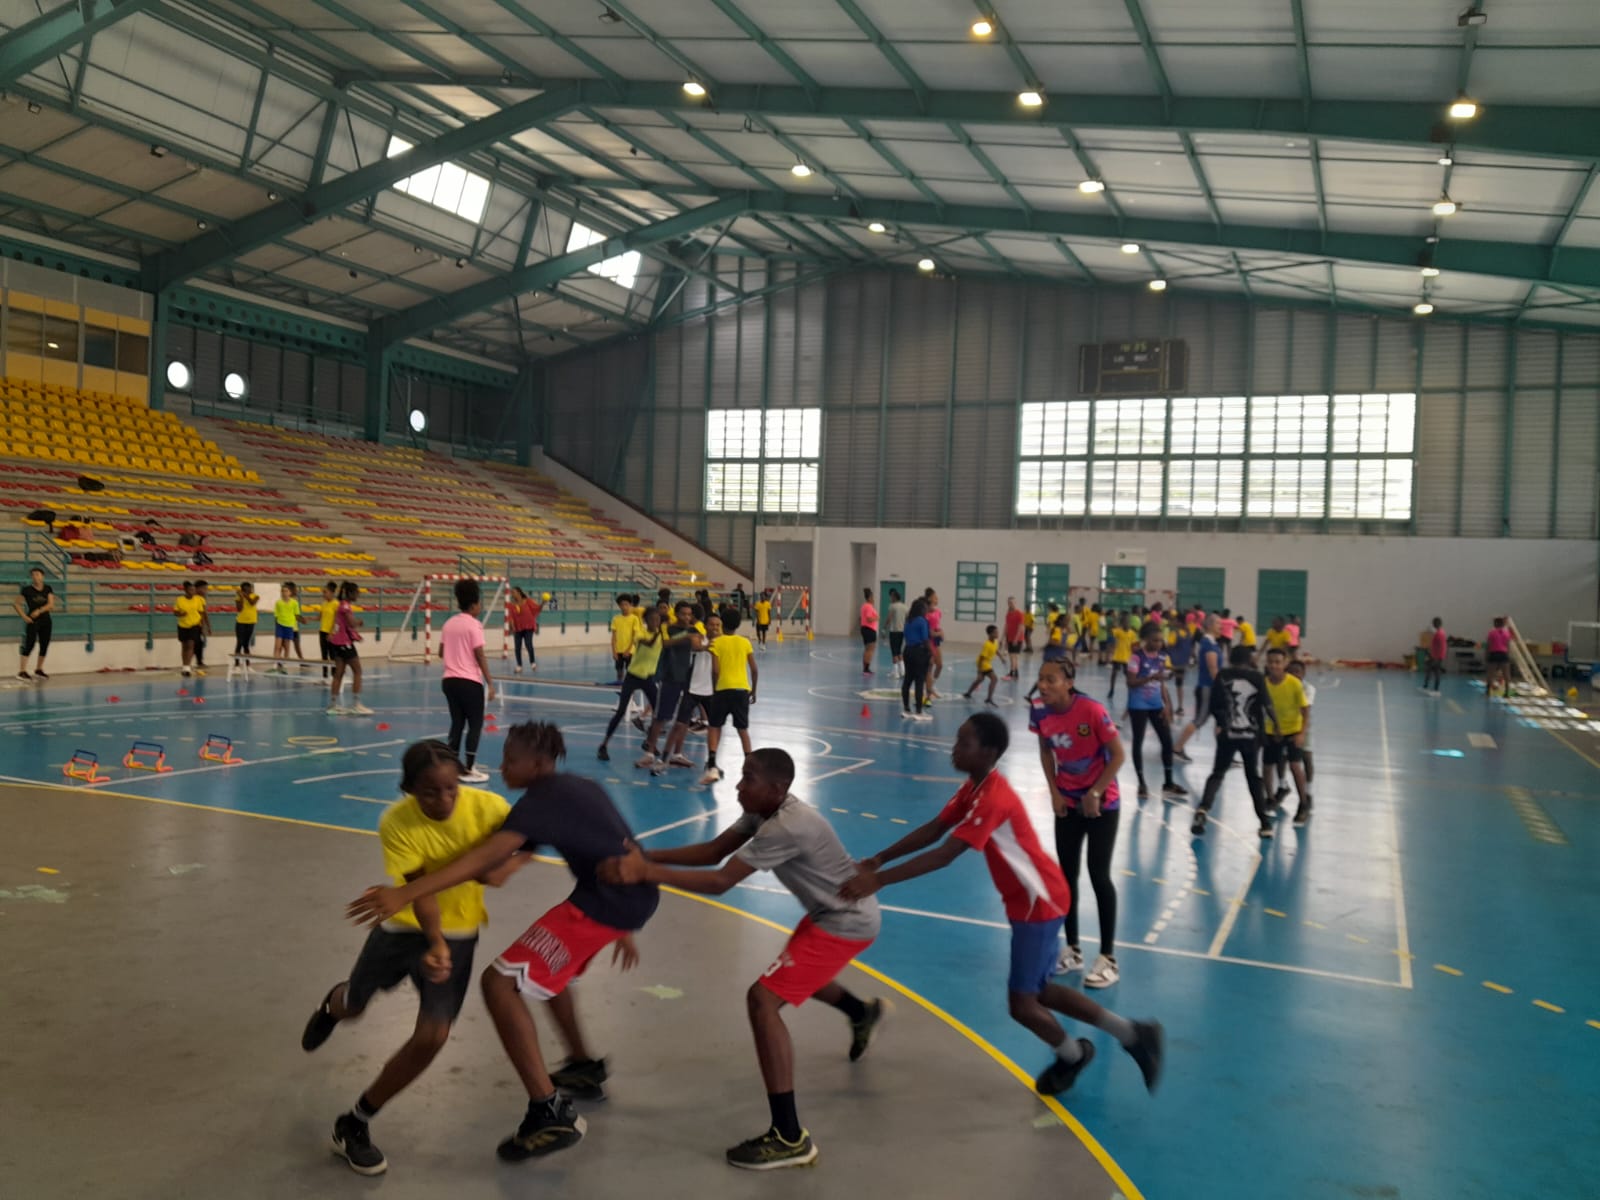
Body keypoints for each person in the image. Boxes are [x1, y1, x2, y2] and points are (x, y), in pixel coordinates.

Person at [347, 721, 655, 1164]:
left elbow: (483, 858)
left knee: (499, 983)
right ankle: (583, 1066)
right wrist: (623, 922)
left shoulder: (541, 800)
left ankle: (548, 1111)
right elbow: (605, 846)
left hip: (604, 904)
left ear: (538, 764)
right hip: (624, 899)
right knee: (547, 976)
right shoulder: (576, 788)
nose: (502, 766)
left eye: (510, 760)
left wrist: (405, 893)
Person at [841, 713, 1161, 1097]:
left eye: (964, 743)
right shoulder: (975, 788)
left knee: (1022, 1004)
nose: (954, 749)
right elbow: (935, 829)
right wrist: (879, 859)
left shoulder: (993, 798)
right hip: (1034, 900)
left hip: (1038, 903)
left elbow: (946, 853)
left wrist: (878, 881)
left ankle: (1073, 1055)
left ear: (989, 752)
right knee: (1041, 991)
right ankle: (1132, 1033)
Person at [600, 749, 886, 1170]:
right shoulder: (763, 813)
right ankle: (862, 1013)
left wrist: (646, 873)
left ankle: (789, 1136)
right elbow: (715, 850)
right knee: (797, 977)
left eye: (748, 778)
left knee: (762, 1000)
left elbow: (720, 881)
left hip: (846, 921)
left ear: (777, 788)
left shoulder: (787, 826)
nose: (738, 785)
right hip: (830, 914)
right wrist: (648, 855)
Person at [302, 741, 525, 1175]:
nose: (443, 800)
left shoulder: (490, 808)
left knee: (433, 1036)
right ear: (409, 789)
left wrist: (508, 866)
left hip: (460, 933)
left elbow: (530, 838)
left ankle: (354, 1122)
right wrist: (435, 943)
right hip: (402, 928)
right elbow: (419, 890)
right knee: (353, 1005)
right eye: (430, 792)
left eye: (451, 789)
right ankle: (333, 1005)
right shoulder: (396, 821)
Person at [1029, 659, 1127, 988]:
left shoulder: (1092, 711)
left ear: (1069, 683)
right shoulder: (1038, 710)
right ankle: (1072, 950)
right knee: (1066, 876)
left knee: (1099, 874)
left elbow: (1118, 755)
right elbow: (1045, 750)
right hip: (1067, 803)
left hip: (1102, 804)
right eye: (1041, 679)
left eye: (1051, 679)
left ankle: (1108, 958)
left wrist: (1096, 792)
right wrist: (1054, 792)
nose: (1043, 685)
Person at [1190, 645, 1272, 839]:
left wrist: (1221, 723)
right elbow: (1266, 705)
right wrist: (1274, 726)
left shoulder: (1223, 675)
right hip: (1250, 736)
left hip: (1228, 734)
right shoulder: (1257, 677)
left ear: (1231, 659)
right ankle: (1265, 822)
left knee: (1217, 773)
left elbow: (1215, 704)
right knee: (1253, 777)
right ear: (1249, 659)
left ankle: (1203, 808)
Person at [440, 578, 497, 780]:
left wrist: (455, 653)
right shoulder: (474, 625)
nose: (480, 607)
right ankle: (469, 768)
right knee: (475, 724)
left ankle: (452, 765)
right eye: (479, 603)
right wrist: (490, 682)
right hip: (469, 681)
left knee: (457, 723)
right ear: (473, 605)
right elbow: (479, 654)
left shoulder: (448, 624)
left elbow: (441, 652)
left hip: (449, 681)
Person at [1126, 622, 1187, 802]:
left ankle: (1168, 783)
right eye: (1155, 640)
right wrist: (1150, 677)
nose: (1159, 644)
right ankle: (1141, 783)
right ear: (1146, 640)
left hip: (1155, 704)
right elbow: (1131, 682)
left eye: (1161, 641)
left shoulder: (1161, 657)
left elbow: (1161, 683)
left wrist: (1167, 704)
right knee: (1138, 742)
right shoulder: (1136, 658)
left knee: (1167, 741)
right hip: (1138, 705)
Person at [638, 601, 701, 773]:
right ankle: (650, 753)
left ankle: (677, 754)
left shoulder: (694, 630)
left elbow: (698, 646)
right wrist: (686, 637)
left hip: (688, 680)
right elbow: (665, 644)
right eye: (683, 614)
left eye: (689, 614)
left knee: (684, 719)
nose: (687, 617)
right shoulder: (668, 629)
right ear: (676, 614)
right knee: (660, 717)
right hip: (670, 678)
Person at [701, 607, 757, 785]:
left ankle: (712, 765)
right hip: (741, 690)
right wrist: (754, 690)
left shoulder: (716, 643)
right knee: (742, 729)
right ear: (738, 624)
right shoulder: (745, 642)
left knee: (714, 726)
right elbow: (754, 669)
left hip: (722, 690)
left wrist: (715, 689)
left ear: (722, 623)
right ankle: (750, 768)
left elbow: (715, 670)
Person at [599, 606, 663, 763]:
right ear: (646, 621)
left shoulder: (662, 636)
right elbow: (648, 643)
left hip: (648, 678)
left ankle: (649, 742)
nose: (655, 622)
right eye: (652, 619)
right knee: (621, 711)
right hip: (633, 676)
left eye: (658, 619)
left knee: (659, 713)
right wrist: (660, 632)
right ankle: (604, 745)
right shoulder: (641, 634)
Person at [660, 607, 718, 774]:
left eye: (718, 625)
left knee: (715, 727)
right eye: (712, 625)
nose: (715, 628)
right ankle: (665, 758)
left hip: (710, 691)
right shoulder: (698, 637)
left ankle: (711, 762)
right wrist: (708, 647)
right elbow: (697, 647)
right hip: (692, 688)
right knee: (679, 724)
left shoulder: (722, 642)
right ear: (705, 626)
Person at [1261, 647, 1311, 826]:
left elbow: (1305, 711)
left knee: (1295, 766)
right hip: (1271, 730)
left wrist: (1301, 733)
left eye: (1278, 662)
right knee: (1267, 767)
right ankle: (1270, 798)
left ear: (1284, 664)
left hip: (1292, 730)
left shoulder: (1294, 684)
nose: (1274, 666)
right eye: (1271, 662)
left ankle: (1303, 804)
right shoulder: (1263, 684)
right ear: (1267, 664)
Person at [1174, 614, 1222, 761]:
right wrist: (1222, 687)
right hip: (1207, 688)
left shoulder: (1212, 643)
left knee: (1222, 720)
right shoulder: (1208, 643)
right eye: (1218, 624)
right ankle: (1177, 748)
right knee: (1200, 719)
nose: (1221, 627)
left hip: (1211, 688)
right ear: (1210, 626)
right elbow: (1212, 668)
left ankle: (1224, 752)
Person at [328, 581, 372, 716]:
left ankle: (333, 706)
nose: (358, 595)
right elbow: (351, 623)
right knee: (358, 671)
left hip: (337, 643)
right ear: (350, 593)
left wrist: (355, 636)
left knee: (339, 674)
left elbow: (342, 626)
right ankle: (356, 705)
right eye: (357, 592)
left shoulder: (341, 605)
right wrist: (359, 622)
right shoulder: (345, 606)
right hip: (344, 644)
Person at [1286, 660, 1317, 822]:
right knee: (1283, 759)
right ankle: (1282, 786)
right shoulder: (1284, 685)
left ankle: (1308, 792)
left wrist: (1301, 732)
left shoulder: (1308, 689)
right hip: (1286, 727)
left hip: (1303, 727)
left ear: (1303, 673)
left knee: (1306, 757)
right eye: (1290, 672)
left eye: (1297, 672)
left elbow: (1305, 709)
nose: (1294, 675)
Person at [15, 565, 54, 681]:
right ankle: (22, 671)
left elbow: (51, 604)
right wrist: (24, 616)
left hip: (45, 620)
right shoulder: (27, 590)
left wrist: (40, 610)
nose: (35, 577)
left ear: (42, 576)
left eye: (37, 574)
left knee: (44, 644)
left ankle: (39, 669)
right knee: (29, 644)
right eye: (33, 575)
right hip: (33, 620)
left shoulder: (48, 588)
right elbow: (16, 604)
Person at [900, 597, 932, 721]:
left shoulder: (908, 621)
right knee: (919, 681)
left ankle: (906, 708)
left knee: (907, 680)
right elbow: (925, 638)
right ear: (921, 609)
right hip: (919, 651)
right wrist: (931, 652)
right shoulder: (922, 621)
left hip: (908, 650)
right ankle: (919, 711)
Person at [175, 579, 206, 677]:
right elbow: (175, 612)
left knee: (190, 644)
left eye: (193, 590)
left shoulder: (198, 599)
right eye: (190, 590)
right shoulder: (180, 600)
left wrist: (203, 626)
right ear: (185, 590)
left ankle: (187, 667)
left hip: (194, 625)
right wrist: (180, 613)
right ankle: (184, 666)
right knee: (184, 646)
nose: (192, 592)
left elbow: (201, 613)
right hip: (183, 625)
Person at [964, 625, 1001, 705]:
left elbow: (996, 650)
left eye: (997, 632)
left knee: (980, 679)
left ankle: (968, 693)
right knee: (994, 679)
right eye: (995, 633)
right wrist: (979, 670)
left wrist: (1001, 657)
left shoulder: (995, 642)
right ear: (990, 634)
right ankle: (989, 698)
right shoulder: (987, 645)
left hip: (987, 663)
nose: (997, 634)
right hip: (983, 663)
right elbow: (981, 658)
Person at [509, 586, 541, 675]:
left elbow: (537, 608)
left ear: (519, 592)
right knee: (517, 647)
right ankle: (519, 665)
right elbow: (511, 616)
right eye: (512, 593)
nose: (512, 594)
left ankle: (532, 662)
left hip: (528, 626)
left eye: (514, 592)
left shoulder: (528, 601)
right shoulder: (512, 604)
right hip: (518, 628)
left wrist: (543, 603)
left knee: (528, 644)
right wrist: (512, 626)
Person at [1107, 612, 1136, 707]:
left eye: (1128, 622)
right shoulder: (1118, 631)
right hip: (1118, 657)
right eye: (1125, 622)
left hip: (1127, 658)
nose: (1126, 624)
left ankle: (1130, 691)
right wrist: (1114, 621)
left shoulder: (1132, 633)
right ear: (1122, 623)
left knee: (1128, 676)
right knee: (1114, 674)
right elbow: (1110, 631)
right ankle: (1112, 690)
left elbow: (1134, 645)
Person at [1167, 615, 1194, 718]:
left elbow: (1169, 645)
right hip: (1182, 664)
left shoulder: (1174, 633)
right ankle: (1180, 707)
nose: (1173, 622)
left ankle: (1165, 705)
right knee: (1179, 684)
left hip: (1172, 663)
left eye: (1175, 620)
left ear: (1179, 622)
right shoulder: (1188, 634)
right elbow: (1190, 648)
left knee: (1161, 682)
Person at [609, 593, 640, 682]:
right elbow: (613, 636)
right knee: (619, 670)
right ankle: (619, 685)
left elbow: (634, 636)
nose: (624, 607)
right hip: (618, 649)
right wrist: (614, 651)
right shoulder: (616, 619)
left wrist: (628, 650)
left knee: (630, 671)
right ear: (619, 606)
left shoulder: (634, 619)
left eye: (626, 604)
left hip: (630, 650)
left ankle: (629, 687)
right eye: (622, 605)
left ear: (630, 605)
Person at [272, 581, 300, 673]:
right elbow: (276, 616)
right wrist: (276, 627)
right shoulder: (278, 603)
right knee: (277, 646)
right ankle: (275, 664)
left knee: (287, 647)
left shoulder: (294, 603)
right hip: (280, 625)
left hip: (289, 626)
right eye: (282, 591)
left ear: (290, 593)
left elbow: (296, 615)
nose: (284, 593)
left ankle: (284, 665)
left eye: (286, 591)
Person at [233, 581, 259, 669]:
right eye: (246, 589)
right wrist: (241, 597)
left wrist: (245, 596)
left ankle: (248, 665)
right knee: (239, 643)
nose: (250, 590)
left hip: (251, 622)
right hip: (240, 622)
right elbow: (239, 609)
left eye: (250, 588)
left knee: (246, 644)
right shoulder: (239, 597)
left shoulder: (255, 596)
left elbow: (252, 603)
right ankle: (237, 664)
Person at [924, 588, 945, 699]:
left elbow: (936, 626)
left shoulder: (938, 612)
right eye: (935, 597)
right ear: (929, 598)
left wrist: (941, 632)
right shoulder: (925, 613)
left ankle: (932, 685)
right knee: (930, 667)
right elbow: (928, 631)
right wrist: (937, 633)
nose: (937, 599)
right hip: (928, 642)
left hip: (936, 642)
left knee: (940, 665)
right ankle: (928, 691)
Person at [1484, 616, 1512, 697]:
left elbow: (1488, 645)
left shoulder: (1491, 633)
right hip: (1504, 654)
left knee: (1490, 673)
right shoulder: (1507, 633)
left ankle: (1488, 690)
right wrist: (1508, 655)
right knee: (1506, 674)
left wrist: (1486, 655)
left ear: (1496, 623)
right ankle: (1507, 692)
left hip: (1494, 653)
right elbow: (1508, 645)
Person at [317, 581, 340, 680]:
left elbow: (336, 619)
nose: (323, 594)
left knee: (333, 655)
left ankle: (334, 675)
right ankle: (325, 675)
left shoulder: (336, 604)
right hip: (322, 631)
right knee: (324, 655)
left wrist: (332, 632)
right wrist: (308, 619)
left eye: (325, 592)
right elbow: (319, 617)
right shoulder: (323, 604)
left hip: (331, 633)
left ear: (331, 592)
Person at [884, 589, 906, 679]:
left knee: (894, 652)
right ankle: (903, 671)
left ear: (894, 597)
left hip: (894, 632)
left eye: (891, 597)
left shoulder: (892, 606)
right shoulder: (905, 607)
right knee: (899, 651)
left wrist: (884, 627)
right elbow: (907, 618)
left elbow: (889, 618)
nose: (890, 598)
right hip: (902, 632)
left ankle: (896, 673)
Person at [1422, 616, 1447, 695]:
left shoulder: (1439, 634)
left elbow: (1441, 647)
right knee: (1430, 670)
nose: (1433, 625)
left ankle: (1436, 689)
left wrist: (1436, 657)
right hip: (1435, 655)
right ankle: (1426, 686)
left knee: (1436, 672)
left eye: (1434, 623)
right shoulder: (1439, 632)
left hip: (1437, 656)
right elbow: (1434, 645)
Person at [1003, 597, 1025, 680]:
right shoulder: (1008, 614)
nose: (1010, 604)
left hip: (1017, 639)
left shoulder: (1019, 614)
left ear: (1015, 603)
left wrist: (1016, 639)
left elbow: (1021, 627)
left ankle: (1011, 673)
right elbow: (1007, 626)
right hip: (1010, 638)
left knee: (1013, 656)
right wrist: (1003, 638)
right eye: (1009, 603)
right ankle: (1016, 673)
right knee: (1012, 656)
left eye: (1012, 602)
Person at [192, 579, 212, 671]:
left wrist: (206, 626)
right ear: (198, 588)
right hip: (192, 624)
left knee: (199, 644)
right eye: (204, 588)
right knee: (193, 644)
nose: (206, 591)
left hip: (199, 624)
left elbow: (204, 614)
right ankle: (191, 662)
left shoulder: (202, 599)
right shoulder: (193, 598)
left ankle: (199, 662)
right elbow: (203, 613)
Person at [858, 588, 878, 675]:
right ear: (869, 597)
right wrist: (877, 618)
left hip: (865, 629)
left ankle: (865, 668)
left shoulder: (864, 606)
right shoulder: (869, 607)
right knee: (870, 649)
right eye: (872, 597)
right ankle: (866, 669)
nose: (873, 599)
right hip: (869, 629)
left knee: (867, 649)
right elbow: (869, 619)